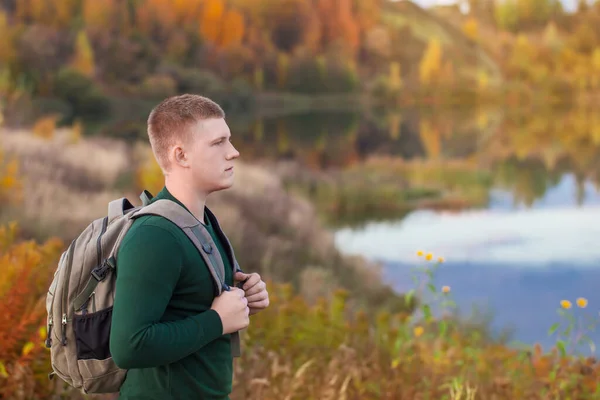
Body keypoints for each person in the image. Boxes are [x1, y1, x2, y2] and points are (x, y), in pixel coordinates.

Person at [109, 94, 270, 400]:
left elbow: (190, 307)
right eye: (218, 143)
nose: (233, 152)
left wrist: (244, 299)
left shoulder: (200, 222)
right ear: (181, 156)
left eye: (230, 140)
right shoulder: (155, 235)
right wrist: (217, 320)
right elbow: (129, 347)